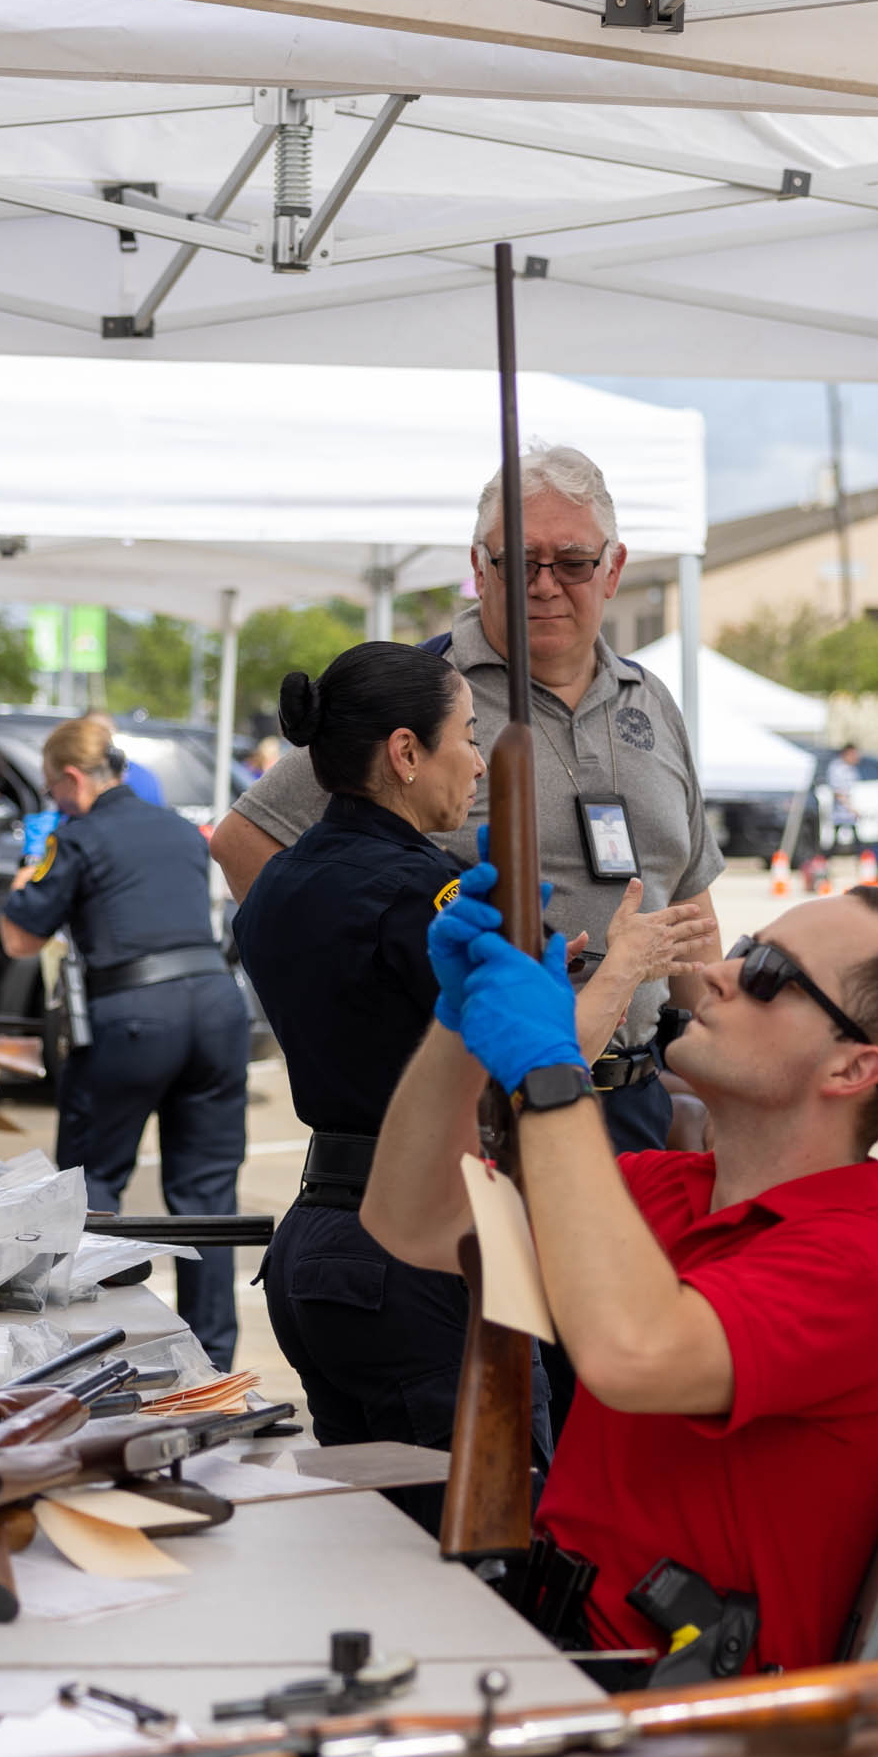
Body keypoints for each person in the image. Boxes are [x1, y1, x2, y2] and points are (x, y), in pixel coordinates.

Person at [362, 875, 878, 1674]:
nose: (720, 970)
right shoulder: (664, 1189)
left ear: (853, 1067)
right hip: (554, 1661)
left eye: (766, 973)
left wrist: (551, 1073)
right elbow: (412, 1220)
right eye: (747, 949)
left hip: (671, 1733)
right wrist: (458, 1026)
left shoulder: (867, 1265)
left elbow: (632, 1352)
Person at [232, 642, 682, 1499]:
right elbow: (547, 1070)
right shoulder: (424, 893)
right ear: (405, 753)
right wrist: (626, 964)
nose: (478, 763)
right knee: (492, 1540)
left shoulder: (281, 878)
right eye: (467, 737)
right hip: (423, 1252)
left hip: (320, 1235)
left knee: (373, 1545)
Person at [211, 446, 723, 1154]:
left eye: (571, 561)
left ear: (614, 567)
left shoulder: (652, 702)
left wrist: (718, 1063)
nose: (544, 584)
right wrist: (360, 1020)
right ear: (479, 567)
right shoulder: (422, 693)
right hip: (482, 1118)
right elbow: (244, 839)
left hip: (635, 1101)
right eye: (518, 561)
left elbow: (690, 898)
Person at [0, 714, 249, 1368]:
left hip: (135, 1016)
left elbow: (20, 938)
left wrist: (24, 881)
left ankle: (95, 1352)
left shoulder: (76, 836)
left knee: (93, 1189)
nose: (55, 803)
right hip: (219, 1012)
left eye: (54, 791)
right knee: (206, 1201)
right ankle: (210, 1363)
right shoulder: (180, 830)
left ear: (74, 779)